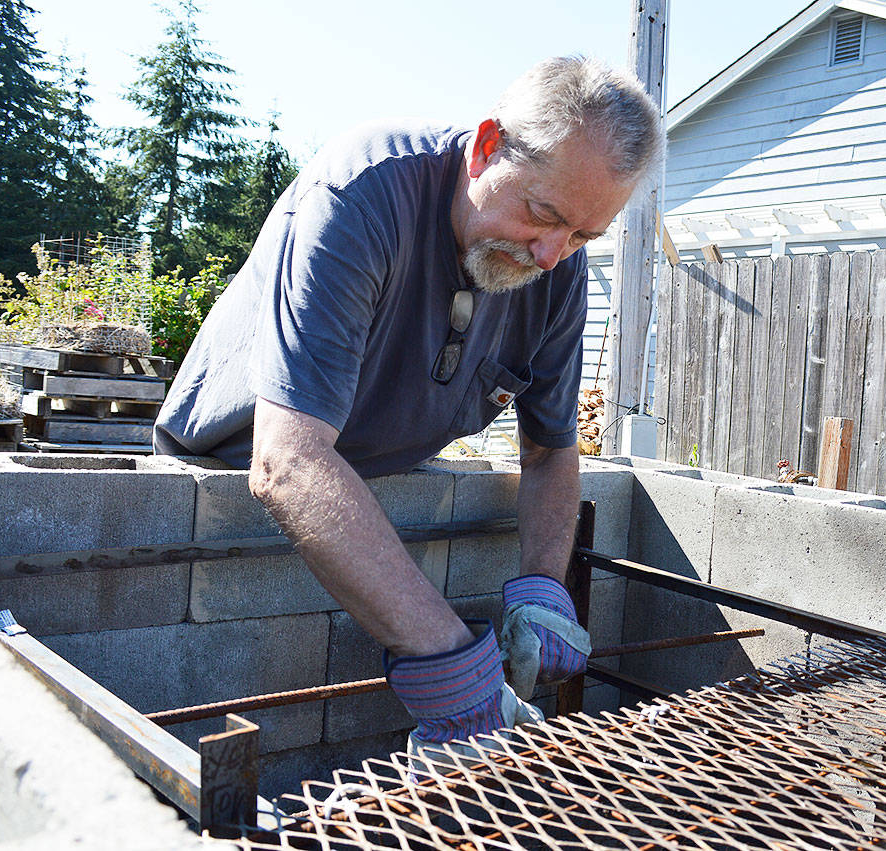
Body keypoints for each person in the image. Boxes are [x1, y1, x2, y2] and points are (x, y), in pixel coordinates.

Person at [153, 56, 664, 753]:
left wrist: (545, 586)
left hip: (361, 489)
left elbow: (549, 450)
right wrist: (454, 666)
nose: (552, 255)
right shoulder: (361, 193)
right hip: (225, 480)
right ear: (487, 146)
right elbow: (288, 461)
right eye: (542, 213)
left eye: (582, 235)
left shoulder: (556, 269)